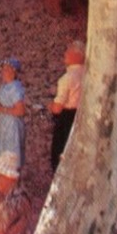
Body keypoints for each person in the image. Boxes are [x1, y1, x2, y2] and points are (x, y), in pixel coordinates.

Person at [48, 40, 85, 170]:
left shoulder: (67, 78)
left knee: (61, 150)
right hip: (84, 116)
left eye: (68, 51)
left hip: (67, 118)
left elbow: (57, 109)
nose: (65, 54)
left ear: (76, 55)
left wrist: (51, 106)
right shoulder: (88, 75)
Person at [0, 57, 26, 167]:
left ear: (13, 71)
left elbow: (20, 110)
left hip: (12, 125)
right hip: (3, 123)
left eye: (6, 69)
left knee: (10, 151)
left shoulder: (15, 88)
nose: (3, 72)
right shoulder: (4, 86)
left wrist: (1, 109)